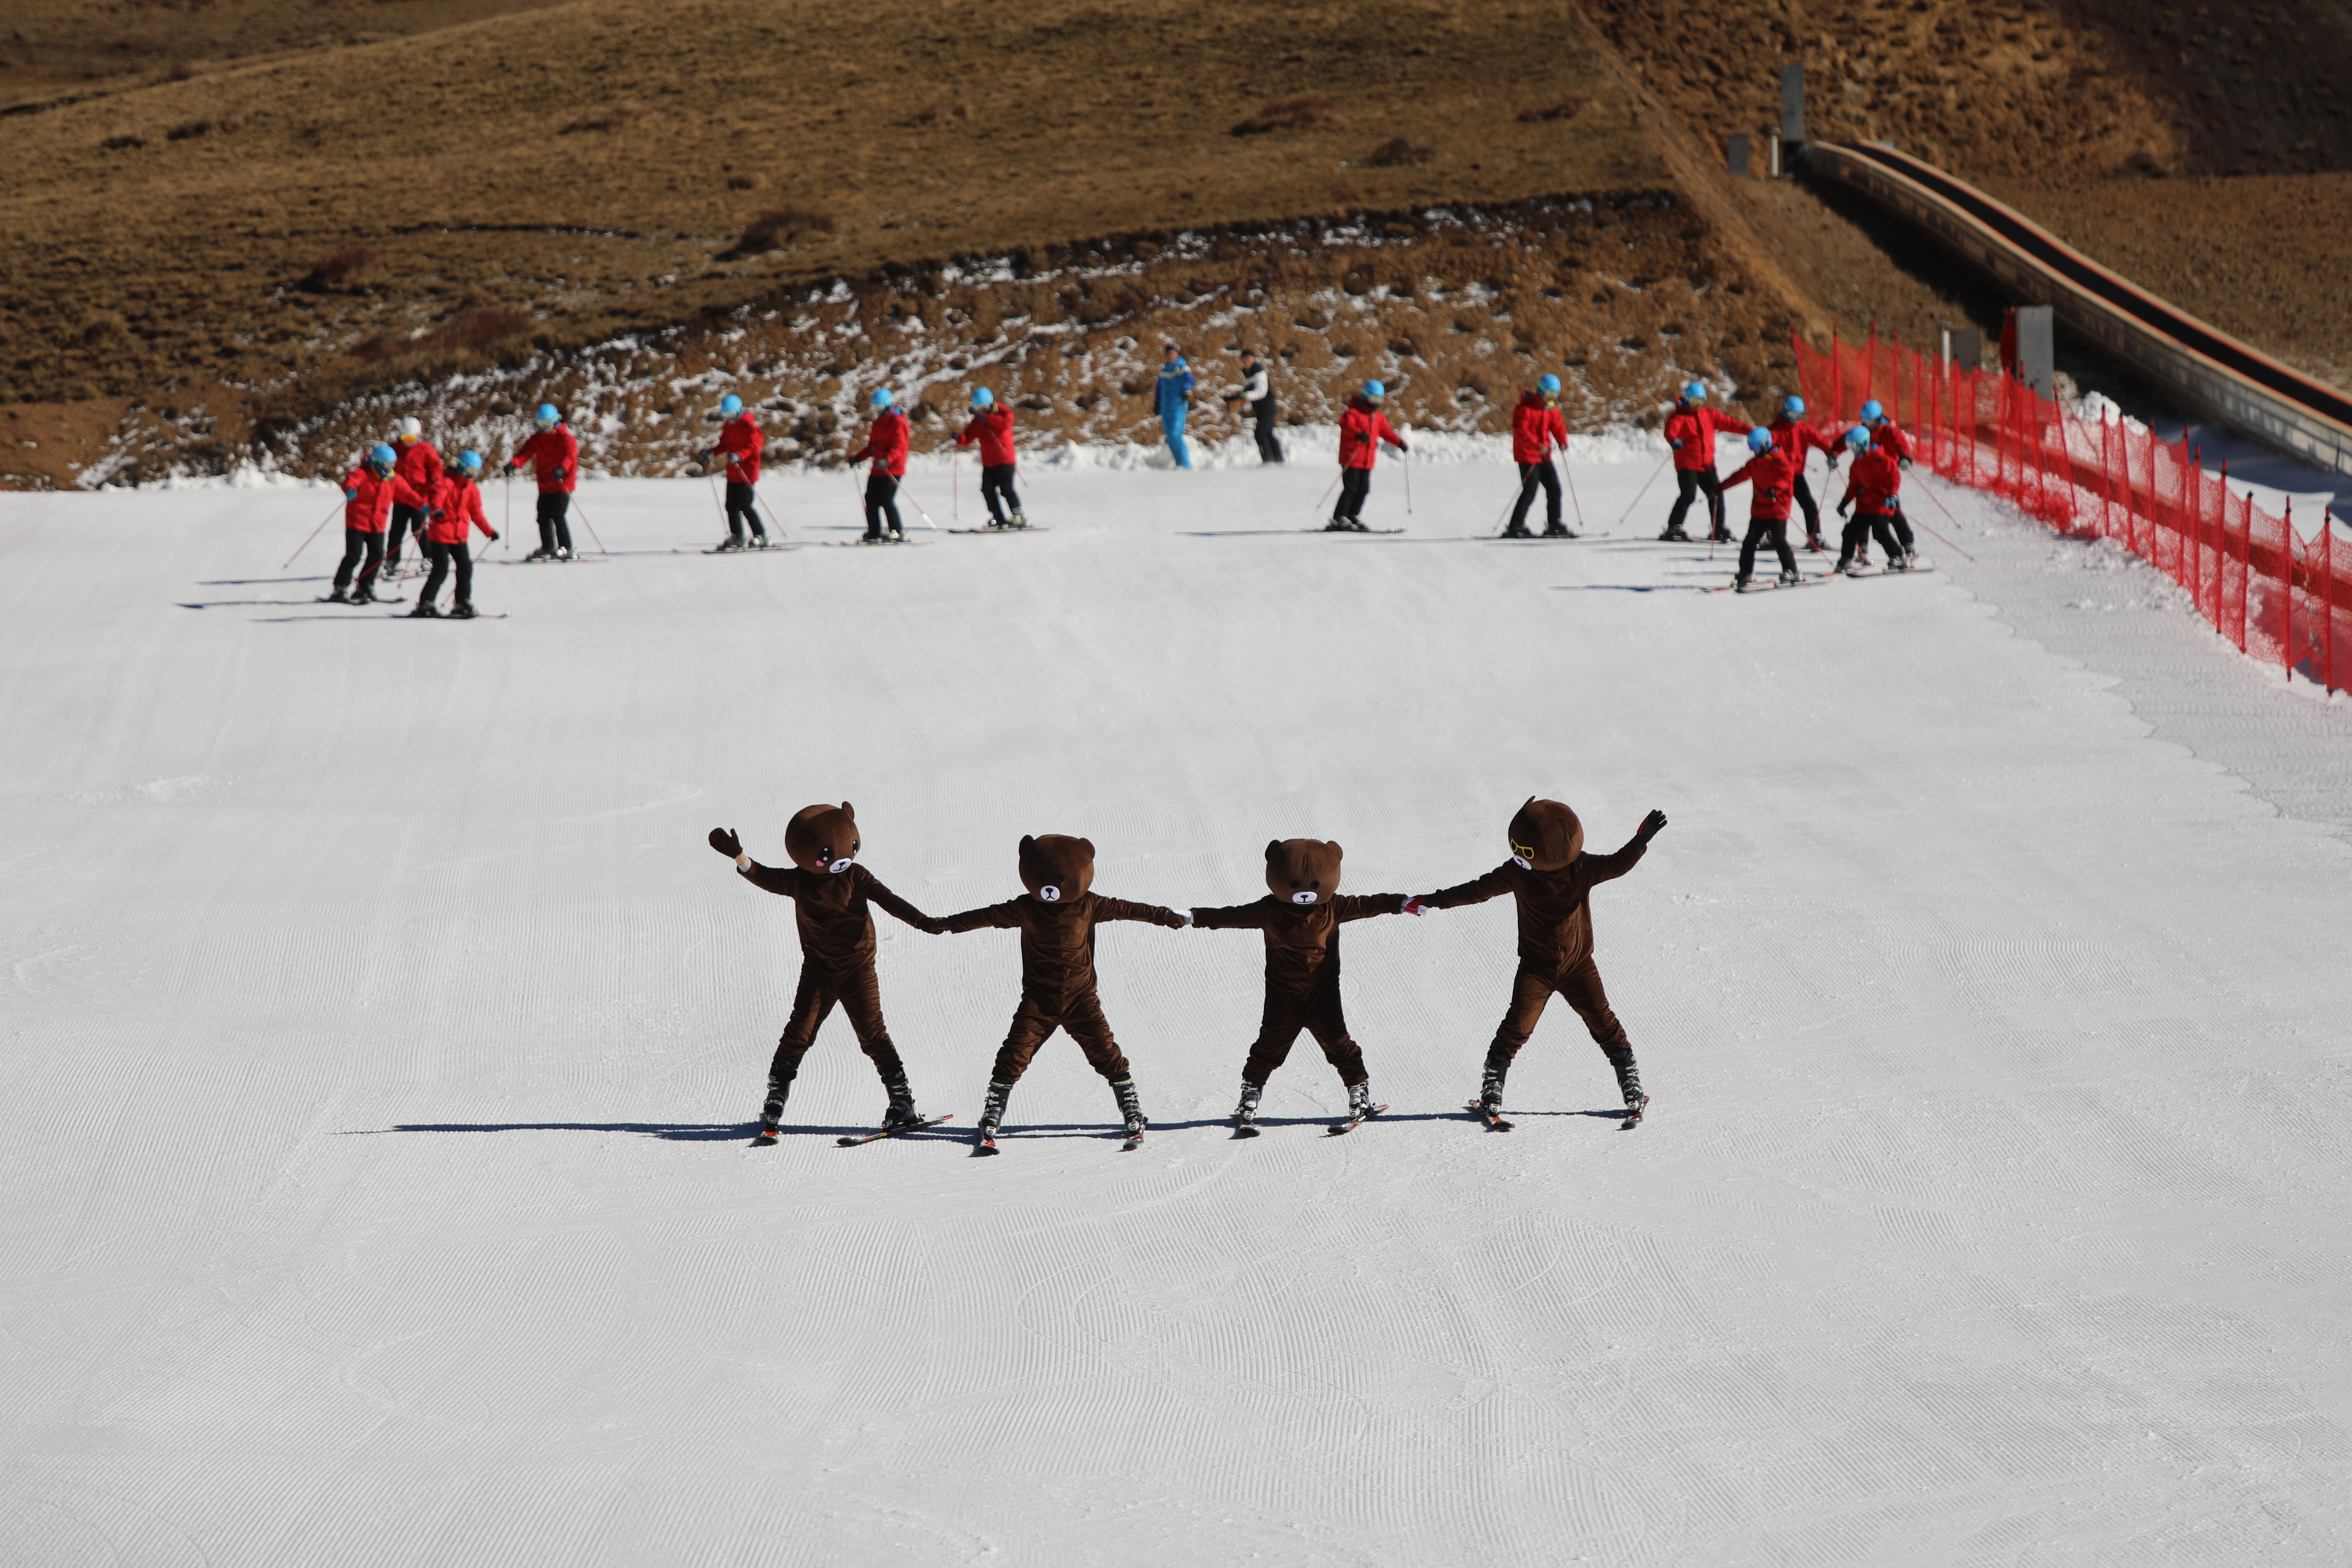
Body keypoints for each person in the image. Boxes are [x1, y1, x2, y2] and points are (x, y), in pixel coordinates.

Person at [931, 833, 1189, 1148]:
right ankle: (992, 1114)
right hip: (1040, 1000)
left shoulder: (1090, 904)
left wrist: (1166, 917)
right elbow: (989, 916)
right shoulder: (1026, 908)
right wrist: (949, 923)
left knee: (1107, 1053)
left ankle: (1132, 1110)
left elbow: (1130, 909)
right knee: (1014, 1053)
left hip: (1081, 999)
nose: (1050, 887)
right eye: (1042, 879)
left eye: (1059, 879)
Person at [1421, 797, 1668, 1126]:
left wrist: (1640, 842)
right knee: (1517, 1027)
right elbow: (1478, 890)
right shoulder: (1518, 873)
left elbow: (1616, 865)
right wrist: (1437, 899)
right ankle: (1493, 1088)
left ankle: (1631, 1083)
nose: (1517, 856)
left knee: (1603, 1022)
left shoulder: (1582, 868)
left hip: (1577, 967)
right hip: (1536, 968)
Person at [709, 804, 943, 1141]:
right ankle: (776, 1099)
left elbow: (888, 899)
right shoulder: (799, 881)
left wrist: (924, 922)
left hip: (857, 970)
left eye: (850, 848)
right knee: (799, 1034)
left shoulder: (856, 876)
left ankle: (902, 1102)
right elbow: (765, 876)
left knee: (873, 1035)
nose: (842, 859)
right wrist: (740, 857)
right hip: (818, 971)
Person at [1189, 838, 1428, 1132]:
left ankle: (1359, 1097)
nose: (1305, 892)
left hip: (1322, 996)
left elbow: (1370, 904)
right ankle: (1249, 1099)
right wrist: (1194, 917)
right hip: (1283, 996)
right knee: (1268, 1048)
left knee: (1340, 1045)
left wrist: (1402, 903)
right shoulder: (1269, 909)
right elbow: (1229, 916)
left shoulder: (1334, 907)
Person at [328, 444, 434, 605]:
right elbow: (351, 481)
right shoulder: (363, 473)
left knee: (377, 557)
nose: (390, 468)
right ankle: (340, 587)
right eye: (387, 465)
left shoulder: (394, 479)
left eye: (393, 465)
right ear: (377, 463)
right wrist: (350, 489)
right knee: (354, 556)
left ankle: (365, 586)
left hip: (377, 525)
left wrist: (423, 505)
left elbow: (408, 494)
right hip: (357, 522)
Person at [410, 450, 498, 618]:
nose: (472, 476)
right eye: (470, 472)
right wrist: (437, 511)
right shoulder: (446, 483)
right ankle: (425, 604)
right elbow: (437, 497)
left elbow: (477, 513)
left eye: (476, 473)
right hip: (441, 536)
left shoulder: (472, 490)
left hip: (459, 537)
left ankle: (462, 602)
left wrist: (490, 532)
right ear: (462, 468)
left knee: (466, 568)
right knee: (441, 570)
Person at [1659, 381, 1751, 543]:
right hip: (1687, 465)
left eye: (1702, 400)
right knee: (1688, 495)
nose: (1699, 404)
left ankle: (1719, 529)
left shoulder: (1710, 414)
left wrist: (1750, 431)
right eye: (1695, 401)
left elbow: (1730, 424)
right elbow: (1670, 430)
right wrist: (1674, 440)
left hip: (1707, 465)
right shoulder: (1680, 417)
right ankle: (1674, 528)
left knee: (1716, 494)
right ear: (1687, 400)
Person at [1720, 427, 1803, 590]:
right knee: (1750, 541)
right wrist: (1721, 487)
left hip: (1778, 507)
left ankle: (1791, 571)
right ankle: (1746, 572)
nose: (1754, 451)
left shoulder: (1781, 461)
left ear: (1766, 444)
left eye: (1756, 447)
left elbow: (1787, 478)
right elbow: (1740, 475)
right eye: (1751, 448)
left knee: (1779, 540)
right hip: (1759, 509)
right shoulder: (1755, 463)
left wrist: (1775, 489)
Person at [1329, 379, 1407, 532]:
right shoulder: (1353, 413)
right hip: (1351, 458)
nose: (1376, 403)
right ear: (1365, 396)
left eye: (1380, 399)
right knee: (1351, 489)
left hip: (1367, 461)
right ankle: (1340, 518)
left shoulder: (1378, 418)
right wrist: (1358, 434)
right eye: (1373, 399)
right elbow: (1346, 425)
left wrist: (1400, 443)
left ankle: (1352, 516)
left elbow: (1387, 433)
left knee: (1364, 490)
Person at [1767, 394, 1840, 551]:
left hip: (1797, 476)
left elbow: (1821, 441)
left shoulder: (1804, 428)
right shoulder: (1776, 430)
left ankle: (1815, 537)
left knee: (1810, 505)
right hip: (1779, 476)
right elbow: (1766, 448)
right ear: (1785, 413)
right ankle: (1774, 537)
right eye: (1792, 415)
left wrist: (1831, 454)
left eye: (1798, 416)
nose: (1794, 419)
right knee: (1777, 508)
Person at [506, 404, 578, 560]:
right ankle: (548, 548)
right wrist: (513, 464)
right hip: (545, 484)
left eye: (547, 423)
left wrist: (562, 469)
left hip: (562, 484)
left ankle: (566, 549)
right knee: (543, 516)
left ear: (555, 421)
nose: (544, 427)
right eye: (541, 423)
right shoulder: (538, 439)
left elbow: (570, 457)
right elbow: (525, 454)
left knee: (558, 515)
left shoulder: (566, 438)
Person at [1834, 425, 1910, 573]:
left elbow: (1894, 477)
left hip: (1882, 503)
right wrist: (1844, 503)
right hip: (1865, 505)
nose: (1853, 450)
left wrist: (1892, 495)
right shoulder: (1857, 463)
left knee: (1880, 530)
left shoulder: (1884, 460)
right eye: (1850, 447)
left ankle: (1897, 557)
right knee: (1849, 531)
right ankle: (1846, 559)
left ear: (1864, 443)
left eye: (1854, 446)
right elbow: (1854, 486)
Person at [1504, 373, 1572, 538]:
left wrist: (1562, 441)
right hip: (1528, 456)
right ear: (1541, 391)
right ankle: (1516, 526)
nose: (1552, 398)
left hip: (1544, 457)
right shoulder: (1525, 409)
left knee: (1555, 489)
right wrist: (1537, 445)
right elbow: (1521, 431)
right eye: (1550, 394)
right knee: (1530, 491)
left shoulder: (1551, 410)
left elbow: (1558, 427)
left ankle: (1554, 524)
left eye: (1555, 395)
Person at [699, 393, 768, 550]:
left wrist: (740, 456)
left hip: (747, 473)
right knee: (731, 507)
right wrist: (712, 453)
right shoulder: (729, 427)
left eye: (731, 415)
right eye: (726, 415)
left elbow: (755, 447)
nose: (729, 418)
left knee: (746, 506)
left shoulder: (750, 427)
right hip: (733, 473)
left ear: (738, 411)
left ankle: (761, 536)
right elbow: (724, 444)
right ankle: (737, 537)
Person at [954, 387, 1027, 528]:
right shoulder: (978, 421)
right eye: (978, 408)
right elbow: (968, 438)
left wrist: (988, 418)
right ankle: (998, 518)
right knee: (987, 489)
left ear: (991, 403)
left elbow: (1006, 423)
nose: (982, 411)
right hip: (989, 462)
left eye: (984, 407)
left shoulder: (1003, 412)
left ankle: (1019, 517)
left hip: (1005, 460)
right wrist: (959, 438)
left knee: (1006, 488)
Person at [381, 416, 443, 577]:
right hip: (401, 498)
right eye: (405, 438)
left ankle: (430, 559)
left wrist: (435, 480)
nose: (409, 442)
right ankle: (392, 561)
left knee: (419, 529)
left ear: (419, 436)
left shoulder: (426, 449)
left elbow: (436, 467)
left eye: (413, 438)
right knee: (396, 531)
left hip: (420, 498)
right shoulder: (394, 449)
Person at [1859, 399, 1920, 559]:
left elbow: (1902, 444)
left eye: (1871, 422)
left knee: (1894, 512)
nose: (1868, 425)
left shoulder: (1889, 431)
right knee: (1863, 511)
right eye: (1865, 421)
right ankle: (1862, 547)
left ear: (1879, 419)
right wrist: (1834, 454)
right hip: (1868, 479)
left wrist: (1905, 457)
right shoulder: (1864, 431)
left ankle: (1908, 544)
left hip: (1887, 480)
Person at [847, 388, 910, 542]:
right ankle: (874, 532)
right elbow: (872, 447)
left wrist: (887, 460)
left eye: (879, 408)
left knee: (886, 500)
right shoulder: (878, 423)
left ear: (889, 406)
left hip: (893, 468)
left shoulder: (898, 422)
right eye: (875, 409)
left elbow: (899, 446)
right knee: (871, 499)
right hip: (878, 468)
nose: (877, 412)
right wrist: (858, 458)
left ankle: (897, 533)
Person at [1222, 350, 1284, 464]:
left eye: (1248, 360)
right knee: (1268, 434)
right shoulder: (1250, 373)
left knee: (1261, 434)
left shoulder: (1259, 373)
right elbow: (1247, 390)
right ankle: (1278, 462)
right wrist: (1232, 398)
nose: (1245, 363)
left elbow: (1261, 392)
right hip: (1262, 409)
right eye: (1243, 361)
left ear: (1253, 359)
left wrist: (1246, 396)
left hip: (1267, 408)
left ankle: (1269, 462)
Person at [1155, 344, 1195, 469]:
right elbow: (1159, 389)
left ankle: (1186, 465)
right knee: (1170, 437)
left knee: (1176, 435)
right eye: (1168, 355)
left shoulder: (1183, 368)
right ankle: (1179, 464)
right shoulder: (1164, 372)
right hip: (1165, 407)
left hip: (1178, 405)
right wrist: (1157, 403)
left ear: (1178, 355)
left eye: (1173, 354)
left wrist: (1185, 391)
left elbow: (1190, 381)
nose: (1170, 357)